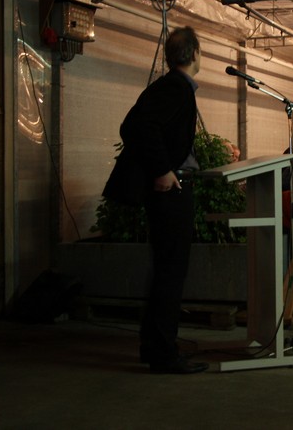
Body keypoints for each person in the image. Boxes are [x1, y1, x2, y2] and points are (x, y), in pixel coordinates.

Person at [102, 26, 208, 374]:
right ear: (194, 53)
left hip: (170, 186)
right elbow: (138, 127)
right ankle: (163, 353)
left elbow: (141, 126)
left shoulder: (172, 86)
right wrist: (162, 170)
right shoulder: (175, 87)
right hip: (169, 190)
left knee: (167, 269)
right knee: (170, 271)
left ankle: (156, 347)